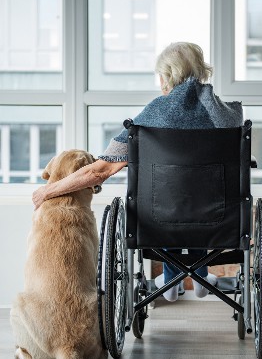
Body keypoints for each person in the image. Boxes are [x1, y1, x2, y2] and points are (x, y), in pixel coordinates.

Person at [32, 42, 243, 301]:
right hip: (219, 216)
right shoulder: (227, 118)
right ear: (201, 71)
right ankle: (200, 275)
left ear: (166, 76)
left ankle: (171, 280)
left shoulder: (151, 116)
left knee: (167, 195)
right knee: (199, 192)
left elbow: (100, 171)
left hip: (159, 219)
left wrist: (47, 190)